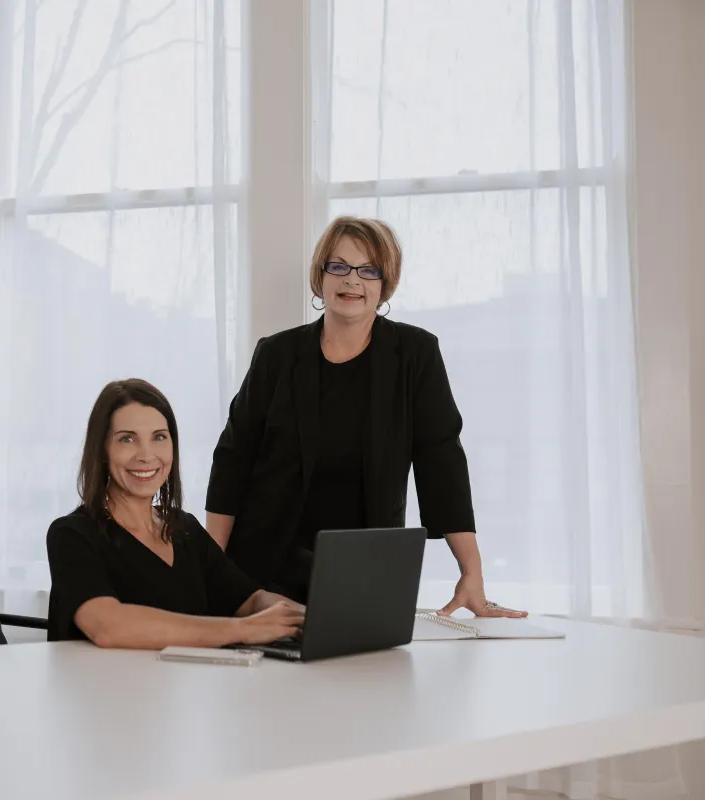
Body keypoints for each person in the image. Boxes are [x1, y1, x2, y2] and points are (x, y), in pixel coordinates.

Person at [205, 215, 527, 619]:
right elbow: (233, 459)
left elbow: (441, 461)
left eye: (368, 270)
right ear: (320, 276)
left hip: (367, 567)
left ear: (384, 282)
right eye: (337, 266)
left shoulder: (415, 354)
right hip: (266, 565)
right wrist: (211, 569)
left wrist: (471, 572)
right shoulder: (276, 355)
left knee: (370, 677)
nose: (351, 281)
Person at [46, 379, 305, 649]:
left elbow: (250, 601)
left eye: (159, 437)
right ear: (101, 449)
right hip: (106, 689)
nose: (146, 455)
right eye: (127, 439)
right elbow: (108, 626)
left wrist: (308, 616)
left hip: (183, 688)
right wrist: (243, 630)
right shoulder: (72, 534)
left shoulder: (185, 529)